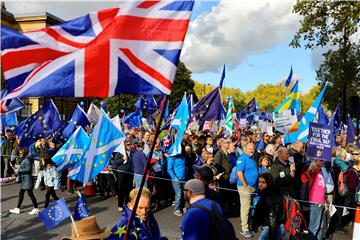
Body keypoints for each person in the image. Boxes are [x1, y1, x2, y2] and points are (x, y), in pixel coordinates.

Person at [252, 173, 285, 240]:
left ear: (268, 183)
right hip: (274, 226)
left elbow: (272, 221)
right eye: (259, 182)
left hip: (272, 228)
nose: (260, 184)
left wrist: (272, 237)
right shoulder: (268, 193)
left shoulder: (269, 197)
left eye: (263, 182)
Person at [236, 142, 259, 238]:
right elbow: (239, 172)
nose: (252, 150)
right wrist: (245, 185)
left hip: (253, 187)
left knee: (251, 207)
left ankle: (248, 225)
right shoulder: (242, 158)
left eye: (253, 149)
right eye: (250, 149)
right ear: (245, 149)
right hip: (245, 187)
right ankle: (244, 229)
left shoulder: (252, 158)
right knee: (245, 208)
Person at [9, 147, 39, 215]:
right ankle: (18, 208)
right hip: (25, 179)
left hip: (27, 179)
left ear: (23, 153)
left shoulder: (27, 160)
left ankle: (36, 208)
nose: (19, 154)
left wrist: (19, 171)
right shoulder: (26, 159)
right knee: (23, 193)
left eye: (20, 153)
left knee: (30, 194)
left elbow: (28, 170)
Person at [307, 159, 326, 240]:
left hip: (321, 201)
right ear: (315, 161)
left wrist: (324, 201)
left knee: (320, 226)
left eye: (323, 161)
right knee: (314, 227)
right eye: (320, 160)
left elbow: (322, 189)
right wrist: (315, 160)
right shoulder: (313, 170)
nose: (323, 162)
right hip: (315, 201)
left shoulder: (321, 171)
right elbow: (309, 171)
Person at [112, 140, 133, 212]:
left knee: (128, 190)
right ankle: (120, 205)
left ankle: (127, 204)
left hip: (129, 173)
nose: (129, 146)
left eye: (130, 144)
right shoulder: (120, 153)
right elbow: (115, 163)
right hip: (121, 174)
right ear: (124, 146)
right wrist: (122, 159)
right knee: (121, 190)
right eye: (128, 145)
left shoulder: (131, 152)